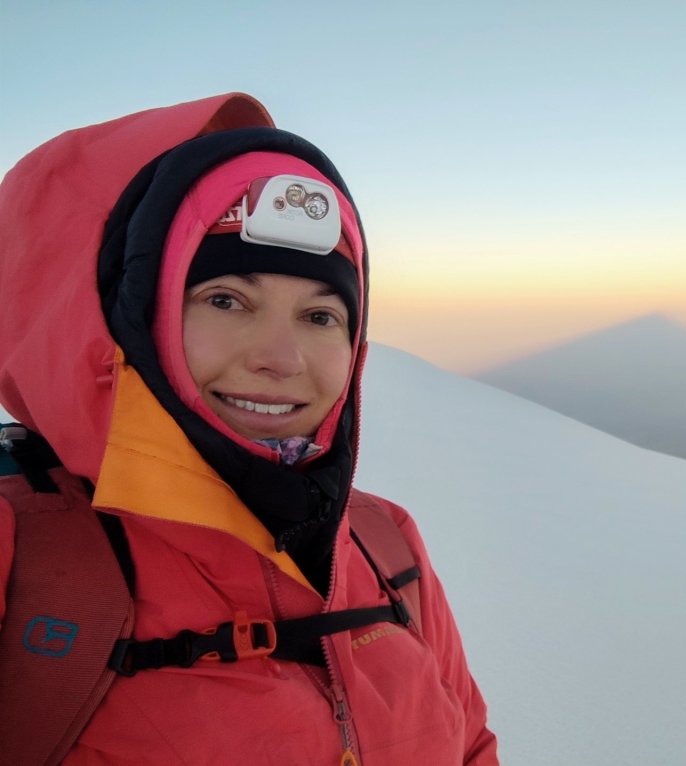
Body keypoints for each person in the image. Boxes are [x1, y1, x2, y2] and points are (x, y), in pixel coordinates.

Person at [0, 94, 498, 764]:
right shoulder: (20, 549)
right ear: (123, 323)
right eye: (227, 300)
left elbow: (469, 747)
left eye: (321, 315)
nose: (281, 359)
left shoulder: (384, 543)